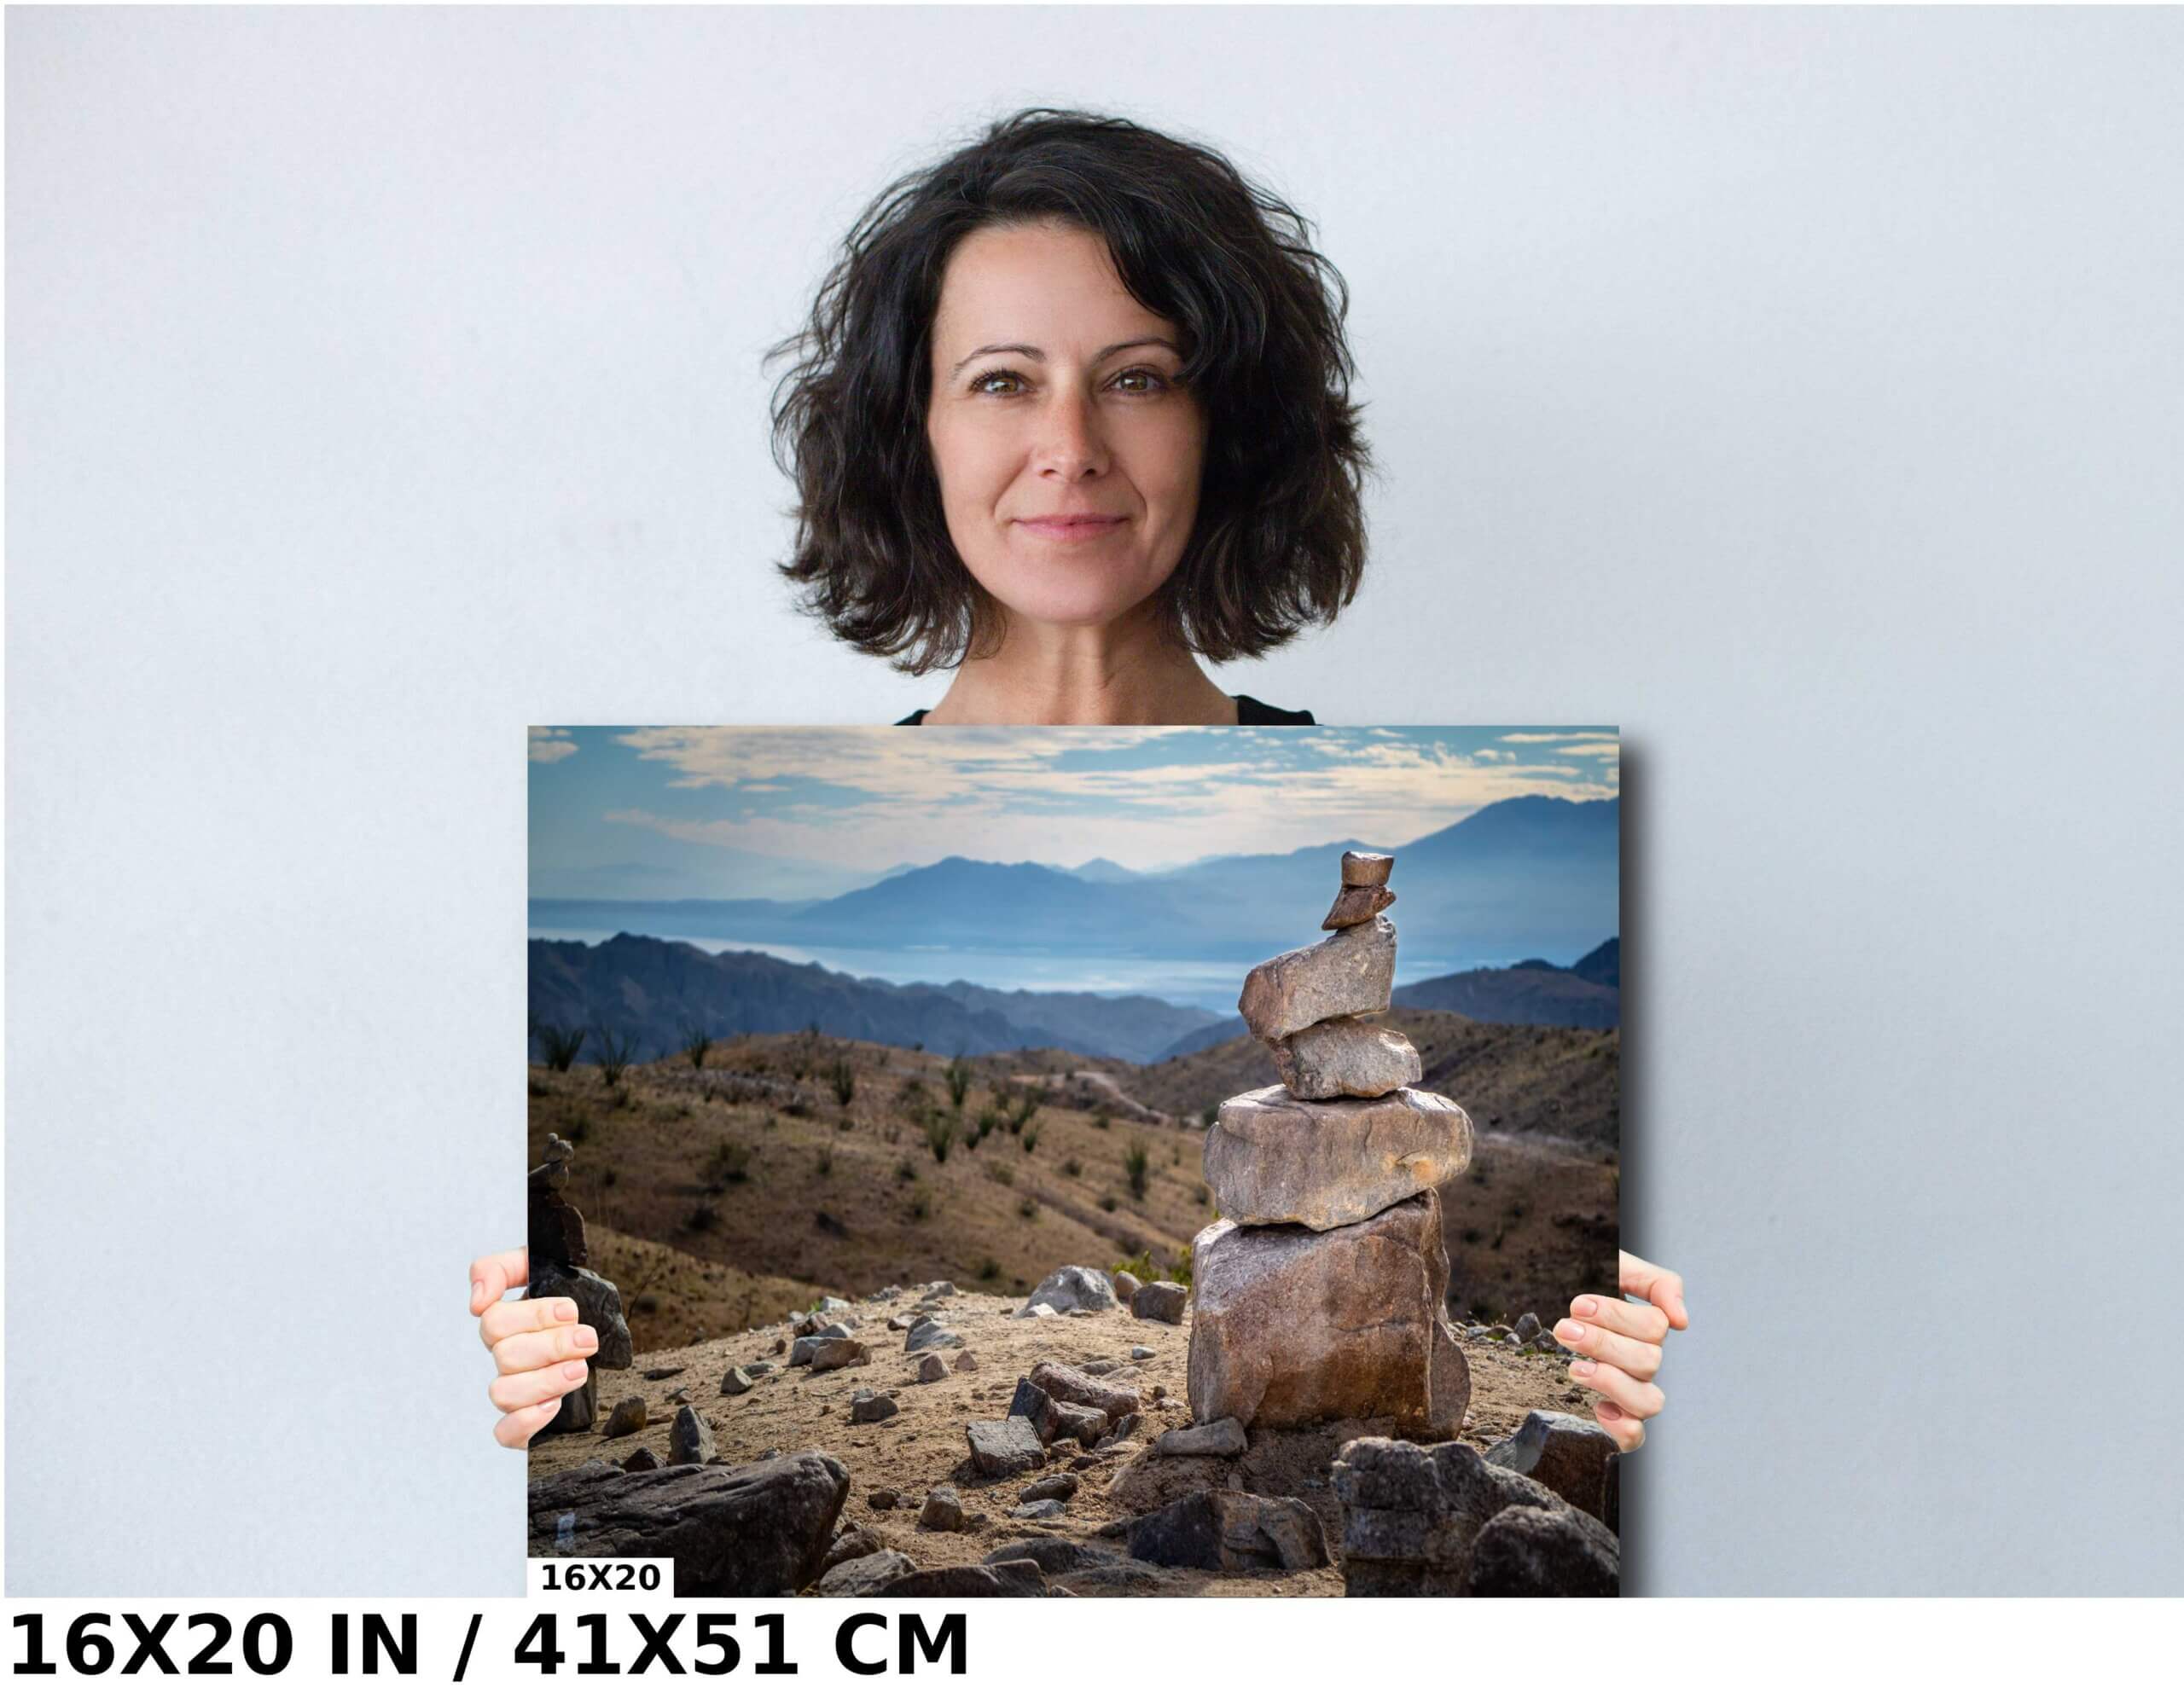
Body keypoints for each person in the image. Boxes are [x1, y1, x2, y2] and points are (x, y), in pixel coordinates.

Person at [479, 108, 1686, 1452]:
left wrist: (1634, 1390)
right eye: (1002, 379)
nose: (1071, 444)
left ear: (1226, 425)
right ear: (913, 430)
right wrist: (504, 1386)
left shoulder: (1372, 804)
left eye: (1139, 376)